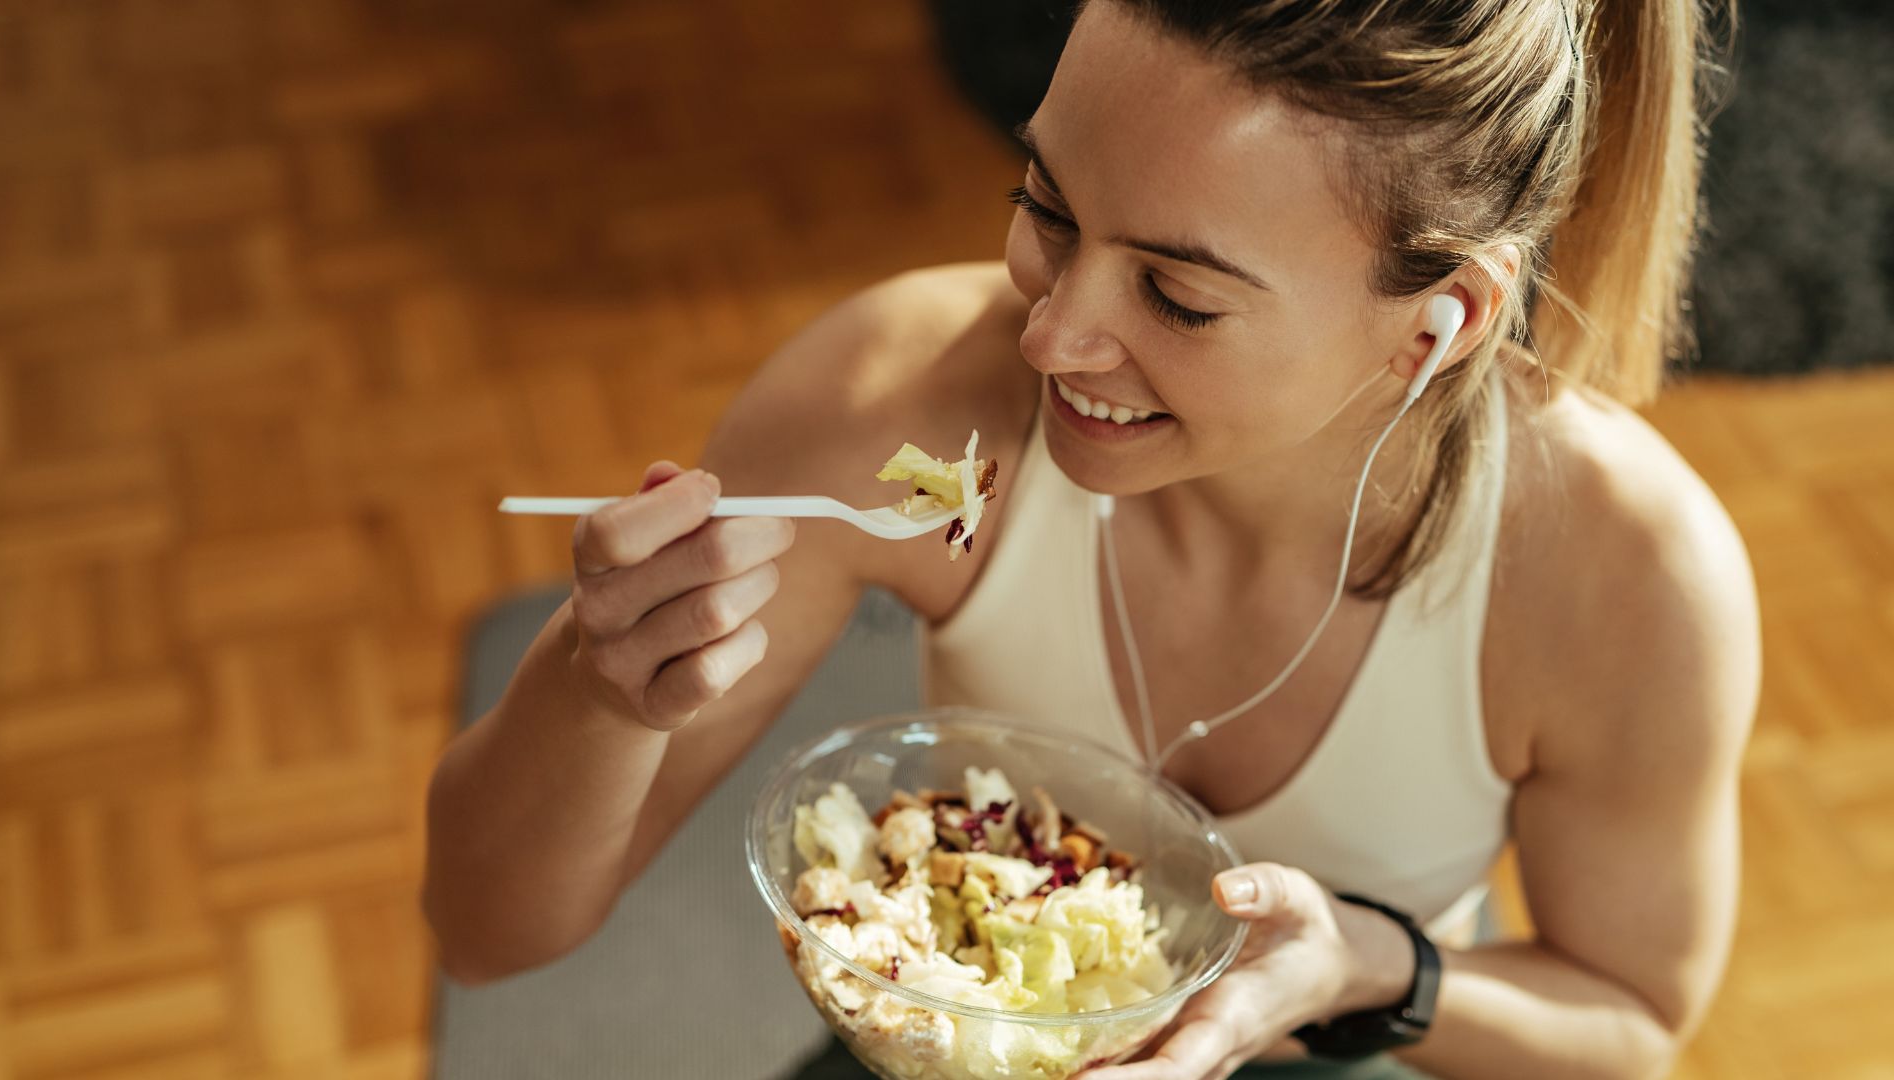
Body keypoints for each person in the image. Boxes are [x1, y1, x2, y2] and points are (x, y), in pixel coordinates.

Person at [423, 0, 1758, 1076]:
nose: (1050, 335)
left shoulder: (1625, 578)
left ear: (1439, 322)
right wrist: (600, 698)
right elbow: (486, 934)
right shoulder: (892, 402)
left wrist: (1364, 965)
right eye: (1049, 209)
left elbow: (1629, 1023)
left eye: (1177, 296)